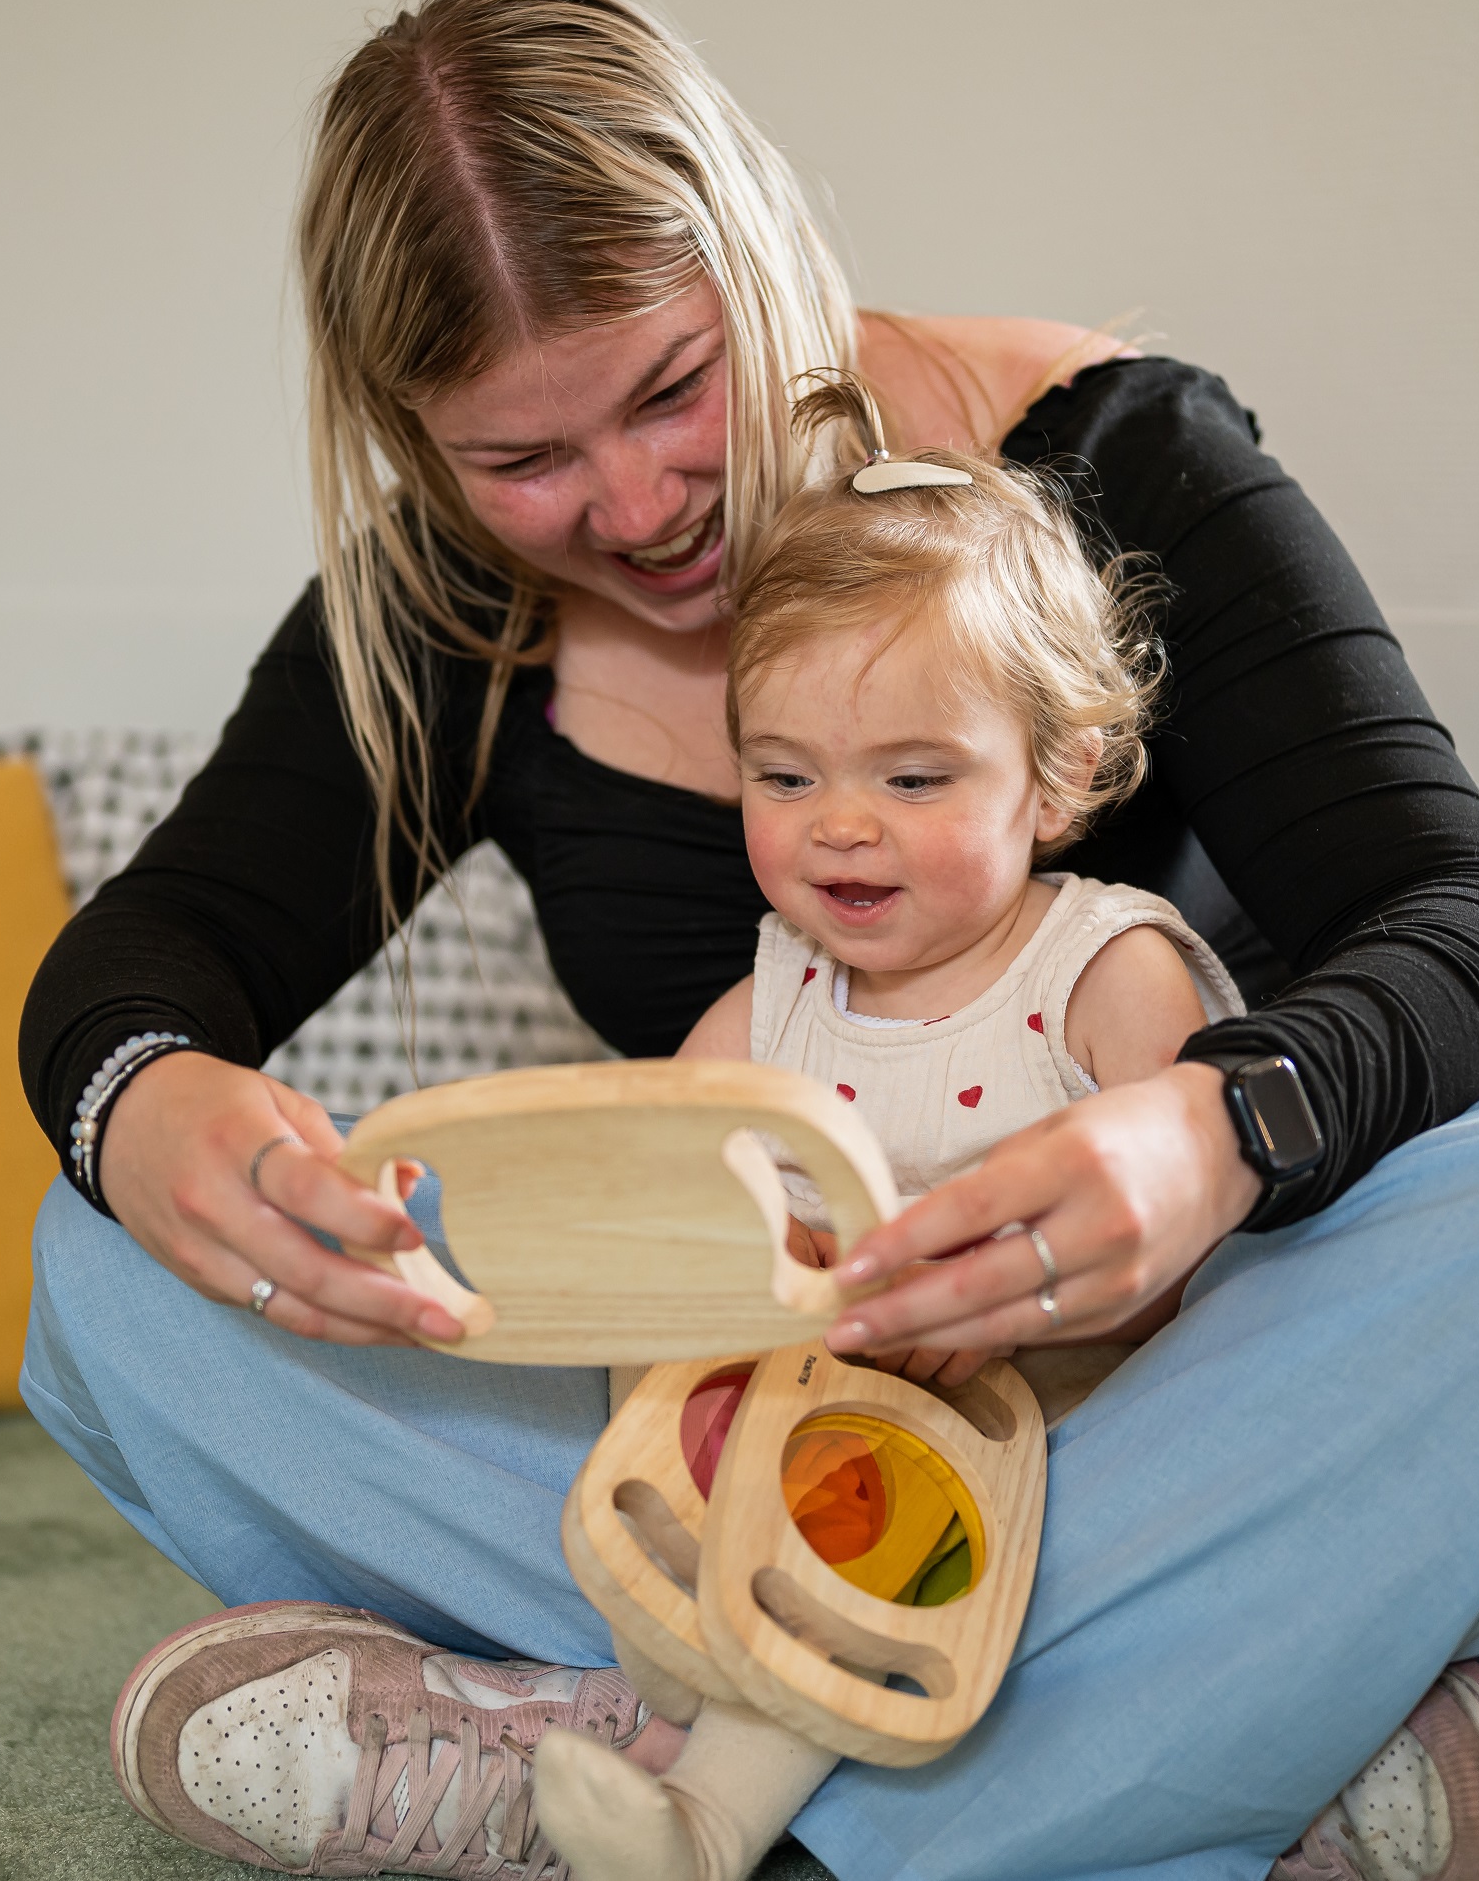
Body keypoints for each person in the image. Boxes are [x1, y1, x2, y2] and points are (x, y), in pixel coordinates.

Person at [17, 0, 1479, 1881]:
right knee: (101, 1261)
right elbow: (160, 945)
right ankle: (1236, 1733)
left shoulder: (1114, 459)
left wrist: (1210, 1128)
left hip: (1161, 1390)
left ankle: (657, 1766)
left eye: (669, 387)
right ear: (411, 440)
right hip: (748, 1425)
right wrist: (148, 1094)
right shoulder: (449, 611)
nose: (628, 504)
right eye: (521, 463)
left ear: (765, 250)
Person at [529, 373, 1248, 1881]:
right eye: (782, 776)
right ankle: (669, 1631)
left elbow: (1200, 1264)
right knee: (638, 1328)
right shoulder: (776, 995)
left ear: (1056, 776)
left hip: (1028, 1452)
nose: (835, 824)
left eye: (911, 778)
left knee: (864, 1535)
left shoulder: (1103, 971)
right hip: (798, 1431)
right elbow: (656, 1184)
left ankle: (701, 1817)